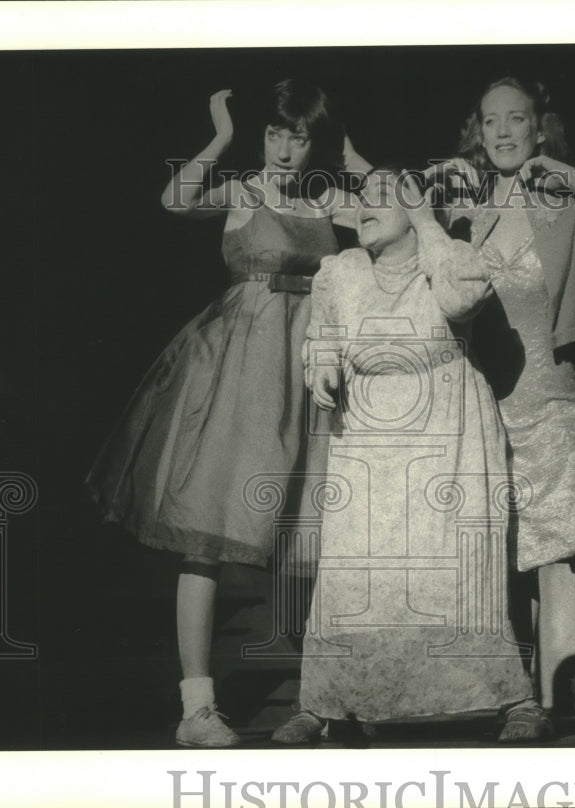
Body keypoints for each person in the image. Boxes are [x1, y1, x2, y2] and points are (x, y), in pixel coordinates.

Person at [86, 79, 369, 747]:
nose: (285, 150)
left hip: (313, 371)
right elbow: (175, 199)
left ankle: (320, 698)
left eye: (299, 137)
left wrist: (353, 158)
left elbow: (403, 212)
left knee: (316, 533)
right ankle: (197, 708)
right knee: (207, 530)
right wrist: (217, 135)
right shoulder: (245, 192)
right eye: (275, 133)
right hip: (240, 369)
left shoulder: (326, 197)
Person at [269, 169, 535, 744]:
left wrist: (426, 222)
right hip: (365, 430)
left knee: (461, 570)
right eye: (360, 200)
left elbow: (462, 299)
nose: (363, 208)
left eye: (380, 200)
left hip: (448, 426)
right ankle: (324, 703)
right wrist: (321, 363)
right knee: (354, 571)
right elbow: (321, 334)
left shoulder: (452, 258)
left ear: (415, 210)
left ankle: (511, 699)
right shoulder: (338, 272)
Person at [429, 76, 575, 741]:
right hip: (482, 391)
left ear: (537, 128)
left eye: (516, 119)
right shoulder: (463, 200)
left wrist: (565, 172)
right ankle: (518, 697)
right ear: (477, 129)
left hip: (551, 383)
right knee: (505, 542)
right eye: (490, 121)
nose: (502, 132)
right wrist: (432, 194)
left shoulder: (559, 195)